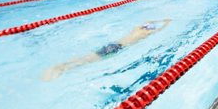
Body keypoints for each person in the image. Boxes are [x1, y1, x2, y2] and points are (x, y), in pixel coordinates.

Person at [42, 19, 171, 81]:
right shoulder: (146, 34)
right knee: (88, 61)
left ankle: (63, 66)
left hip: (113, 44)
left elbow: (148, 22)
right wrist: (166, 22)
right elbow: (160, 29)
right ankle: (62, 68)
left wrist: (156, 20)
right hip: (117, 48)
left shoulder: (137, 28)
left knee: (88, 57)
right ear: (150, 29)